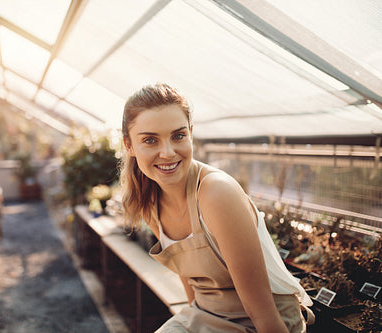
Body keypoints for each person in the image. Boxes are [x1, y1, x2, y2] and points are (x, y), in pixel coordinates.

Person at [119, 83, 314, 332]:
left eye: (178, 136)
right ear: (129, 145)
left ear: (190, 133)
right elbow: (191, 287)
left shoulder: (215, 192)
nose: (167, 153)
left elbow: (263, 311)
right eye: (150, 140)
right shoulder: (149, 203)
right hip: (207, 315)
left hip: (259, 320)